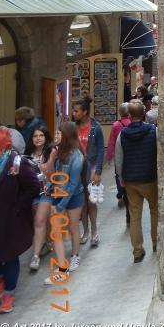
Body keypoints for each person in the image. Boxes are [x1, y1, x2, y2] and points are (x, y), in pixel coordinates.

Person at [0, 126, 41, 312]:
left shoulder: (17, 162)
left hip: (12, 219)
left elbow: (33, 186)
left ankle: (8, 295)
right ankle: (1, 283)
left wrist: (18, 205)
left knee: (10, 255)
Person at [115, 100, 158, 263]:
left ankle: (137, 251)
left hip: (131, 180)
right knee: (155, 210)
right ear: (144, 113)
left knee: (135, 215)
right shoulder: (153, 131)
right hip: (150, 178)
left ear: (130, 115)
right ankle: (156, 242)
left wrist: (121, 178)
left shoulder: (122, 134)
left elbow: (119, 160)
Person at [43, 122, 86, 284]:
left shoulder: (77, 157)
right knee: (58, 231)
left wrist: (60, 205)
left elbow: (73, 185)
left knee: (73, 227)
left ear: (66, 136)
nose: (55, 137)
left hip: (73, 197)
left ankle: (73, 257)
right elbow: (55, 175)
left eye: (59, 134)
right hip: (59, 196)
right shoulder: (59, 152)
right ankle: (62, 267)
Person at [71, 97, 104, 248]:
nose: (73, 113)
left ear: (84, 112)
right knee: (81, 203)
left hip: (90, 168)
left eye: (76, 111)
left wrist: (97, 171)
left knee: (91, 202)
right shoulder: (72, 127)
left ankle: (95, 231)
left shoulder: (96, 127)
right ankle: (85, 231)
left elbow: (100, 151)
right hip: (76, 169)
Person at [24, 125, 54, 271]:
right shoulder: (27, 153)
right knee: (38, 222)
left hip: (47, 191)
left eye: (41, 135)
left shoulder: (51, 151)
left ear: (46, 137)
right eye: (35, 136)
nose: (38, 138)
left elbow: (51, 171)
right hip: (32, 192)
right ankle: (46, 242)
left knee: (39, 221)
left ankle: (35, 256)